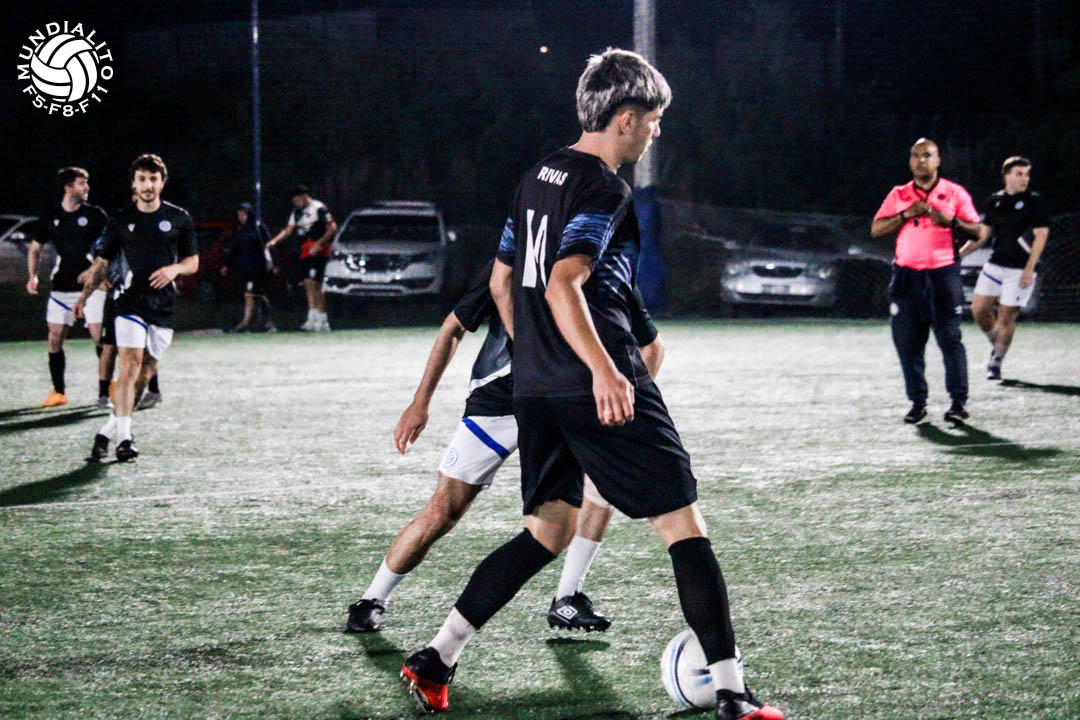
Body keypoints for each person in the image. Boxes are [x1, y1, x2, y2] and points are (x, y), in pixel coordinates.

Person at [399, 49, 783, 720]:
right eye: (654, 119)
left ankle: (437, 656)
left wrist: (538, 355)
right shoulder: (605, 188)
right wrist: (604, 369)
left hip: (536, 387)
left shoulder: (535, 176)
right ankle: (731, 693)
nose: (657, 131)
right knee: (683, 524)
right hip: (593, 379)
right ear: (625, 118)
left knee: (546, 532)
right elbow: (563, 281)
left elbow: (502, 281)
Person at [345, 260, 664, 635]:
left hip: (563, 402)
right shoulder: (515, 260)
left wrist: (622, 403)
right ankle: (372, 599)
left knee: (599, 485)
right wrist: (420, 402)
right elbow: (453, 328)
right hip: (499, 399)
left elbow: (652, 347)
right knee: (444, 510)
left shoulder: (604, 264)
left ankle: (568, 598)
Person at [74, 154, 197, 462]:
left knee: (145, 374)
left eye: (153, 179)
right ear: (134, 184)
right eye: (142, 179)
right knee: (130, 364)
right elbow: (101, 264)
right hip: (128, 302)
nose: (148, 185)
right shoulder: (119, 220)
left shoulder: (179, 218)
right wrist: (84, 297)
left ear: (162, 183)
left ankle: (107, 431)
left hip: (163, 307)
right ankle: (125, 440)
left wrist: (174, 269)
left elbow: (192, 262)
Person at [871, 138, 985, 425]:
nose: (920, 160)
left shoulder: (954, 192)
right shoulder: (899, 194)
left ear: (938, 161)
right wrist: (906, 214)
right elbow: (876, 229)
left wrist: (951, 222)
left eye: (927, 155)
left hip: (942, 276)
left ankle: (958, 404)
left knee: (950, 339)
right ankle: (918, 403)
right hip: (906, 277)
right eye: (915, 155)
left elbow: (977, 232)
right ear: (910, 161)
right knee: (907, 343)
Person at [958, 156, 1050, 380]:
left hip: (1020, 269)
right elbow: (982, 236)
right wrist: (958, 255)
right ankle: (998, 343)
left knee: (1006, 317)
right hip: (995, 264)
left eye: (1027, 174)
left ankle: (996, 361)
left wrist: (1029, 269)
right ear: (1006, 175)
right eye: (1019, 173)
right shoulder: (995, 201)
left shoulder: (1034, 201)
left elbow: (1041, 236)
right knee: (979, 310)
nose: (1024, 178)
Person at [25, 167, 109, 408]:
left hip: (91, 288)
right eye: (82, 183)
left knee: (100, 338)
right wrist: (33, 276)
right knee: (54, 338)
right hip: (61, 287)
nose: (87, 187)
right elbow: (35, 248)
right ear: (68, 187)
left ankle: (106, 389)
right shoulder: (50, 216)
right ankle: (58, 393)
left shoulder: (95, 215)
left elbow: (111, 245)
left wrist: (95, 271)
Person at [266, 185, 336, 331]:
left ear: (304, 196)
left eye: (297, 200)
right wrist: (274, 241)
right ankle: (312, 318)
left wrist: (319, 243)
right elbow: (288, 230)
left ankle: (323, 320)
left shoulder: (319, 208)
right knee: (307, 283)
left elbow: (332, 228)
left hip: (319, 250)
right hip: (305, 251)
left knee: (316, 283)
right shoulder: (297, 212)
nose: (296, 203)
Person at [222, 202, 275, 333]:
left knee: (252, 294)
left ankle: (259, 323)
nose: (241, 217)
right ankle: (254, 323)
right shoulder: (240, 230)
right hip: (246, 267)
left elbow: (269, 245)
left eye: (244, 214)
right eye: (239, 215)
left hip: (259, 267)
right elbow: (234, 249)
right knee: (254, 294)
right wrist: (227, 264)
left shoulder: (259, 228)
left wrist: (275, 263)